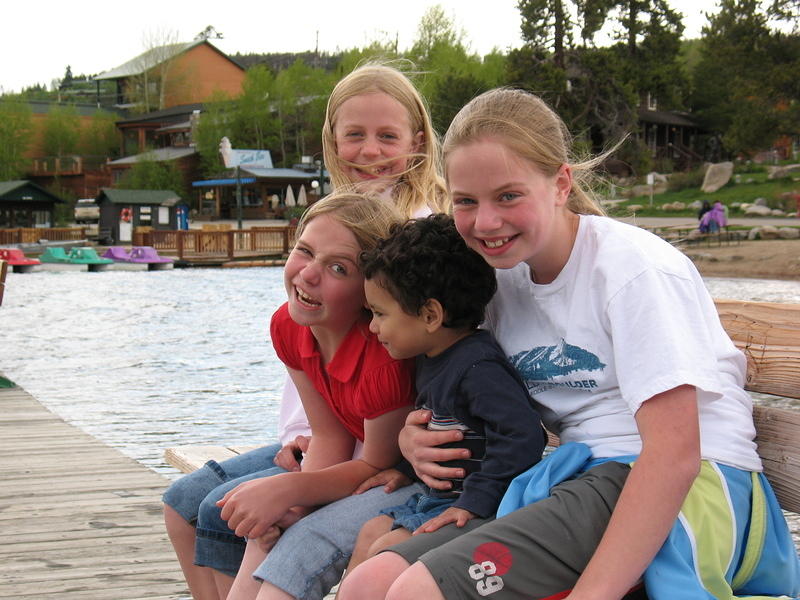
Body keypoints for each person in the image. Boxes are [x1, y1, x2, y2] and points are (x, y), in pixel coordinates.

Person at [338, 88, 800, 600]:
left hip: (688, 489)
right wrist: (412, 439)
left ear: (560, 183)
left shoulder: (631, 270)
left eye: (508, 196)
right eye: (466, 201)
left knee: (417, 593)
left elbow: (674, 455)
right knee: (370, 582)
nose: (486, 222)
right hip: (577, 480)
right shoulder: (498, 278)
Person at [162, 61, 445, 600]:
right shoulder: (330, 218)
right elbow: (312, 345)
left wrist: (360, 464)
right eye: (354, 135)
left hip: (384, 439)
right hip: (330, 429)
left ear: (418, 141)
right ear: (332, 140)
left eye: (387, 136)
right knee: (188, 501)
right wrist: (302, 441)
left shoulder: (424, 236)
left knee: (235, 512)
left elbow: (405, 365)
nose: (370, 150)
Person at [221, 190, 416, 600]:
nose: (308, 274)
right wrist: (290, 503)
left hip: (411, 477)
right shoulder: (289, 326)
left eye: (338, 269)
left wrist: (289, 492)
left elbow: (378, 464)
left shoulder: (384, 359)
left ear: (371, 289)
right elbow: (330, 436)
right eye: (304, 251)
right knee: (264, 531)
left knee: (299, 541)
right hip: (363, 469)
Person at [341, 214, 545, 575]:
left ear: (430, 315)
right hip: (439, 498)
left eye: (379, 313)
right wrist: (404, 468)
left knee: (386, 550)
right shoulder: (432, 356)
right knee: (370, 532)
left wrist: (475, 502)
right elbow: (446, 429)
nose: (372, 327)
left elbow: (524, 434)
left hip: (482, 506)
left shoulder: (478, 367)